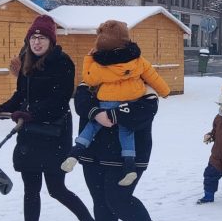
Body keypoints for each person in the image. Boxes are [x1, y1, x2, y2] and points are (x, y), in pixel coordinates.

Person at [0, 15, 96, 221]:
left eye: (42, 38)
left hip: (54, 132)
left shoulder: (62, 62)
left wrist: (30, 113)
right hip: (30, 132)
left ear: (51, 41)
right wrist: (1, 108)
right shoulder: (26, 60)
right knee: (31, 189)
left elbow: (59, 100)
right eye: (33, 38)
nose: (37, 42)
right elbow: (21, 96)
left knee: (56, 188)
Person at [62, 20, 171, 187]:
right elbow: (153, 76)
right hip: (129, 101)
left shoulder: (100, 65)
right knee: (126, 133)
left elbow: (89, 79)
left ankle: (75, 153)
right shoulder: (138, 61)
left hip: (106, 101)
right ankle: (129, 165)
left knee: (92, 127)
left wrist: (88, 59)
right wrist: (165, 91)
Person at [72, 81, 162, 221]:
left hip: (128, 155)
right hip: (93, 150)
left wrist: (112, 114)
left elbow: (145, 111)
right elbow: (81, 101)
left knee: (118, 200)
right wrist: (96, 113)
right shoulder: (92, 78)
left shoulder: (140, 82)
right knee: (99, 200)